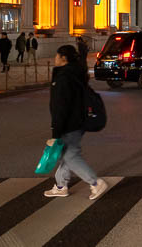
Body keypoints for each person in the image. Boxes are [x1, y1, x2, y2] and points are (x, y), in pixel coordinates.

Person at [44, 45, 109, 200]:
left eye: (57, 56)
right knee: (67, 154)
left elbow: (61, 107)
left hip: (69, 124)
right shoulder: (75, 73)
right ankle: (61, 185)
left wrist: (55, 132)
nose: (55, 58)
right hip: (78, 121)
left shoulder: (64, 77)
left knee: (70, 156)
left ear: (63, 59)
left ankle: (95, 183)